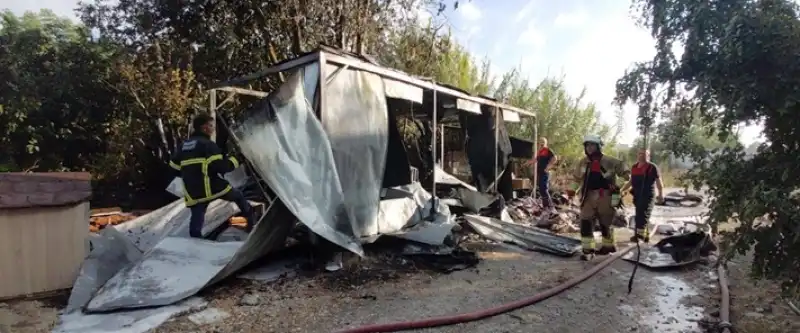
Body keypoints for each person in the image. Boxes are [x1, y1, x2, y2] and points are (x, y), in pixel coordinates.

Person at [169, 113, 255, 238]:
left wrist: (191, 175)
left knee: (197, 214)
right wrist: (238, 159)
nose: (213, 128)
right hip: (211, 186)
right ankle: (252, 221)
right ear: (204, 128)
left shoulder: (183, 146)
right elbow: (221, 167)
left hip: (192, 190)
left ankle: (195, 242)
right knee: (238, 196)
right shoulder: (208, 145)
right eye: (210, 125)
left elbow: (174, 168)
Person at [571, 134, 628, 260]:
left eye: (592, 145)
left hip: (606, 196)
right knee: (585, 222)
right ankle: (588, 250)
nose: (589, 148)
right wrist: (571, 190)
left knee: (606, 223)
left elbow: (626, 174)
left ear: (598, 146)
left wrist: (618, 186)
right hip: (588, 196)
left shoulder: (610, 161)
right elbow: (576, 178)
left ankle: (608, 247)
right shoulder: (583, 162)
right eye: (587, 145)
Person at [620, 148, 664, 243]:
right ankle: (644, 235)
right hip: (637, 195)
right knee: (639, 214)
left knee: (643, 215)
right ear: (637, 155)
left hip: (648, 195)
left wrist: (661, 195)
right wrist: (622, 190)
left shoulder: (652, 167)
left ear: (648, 156)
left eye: (644, 154)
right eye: (640, 154)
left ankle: (640, 236)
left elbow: (659, 183)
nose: (642, 156)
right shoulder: (635, 167)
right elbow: (631, 182)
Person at [530, 137, 558, 212]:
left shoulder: (547, 150)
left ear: (545, 143)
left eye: (543, 142)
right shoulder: (540, 152)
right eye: (540, 142)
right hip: (540, 173)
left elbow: (555, 158)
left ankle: (550, 206)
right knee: (542, 189)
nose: (541, 143)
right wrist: (527, 163)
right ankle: (545, 206)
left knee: (544, 188)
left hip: (545, 173)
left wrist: (548, 166)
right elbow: (535, 160)